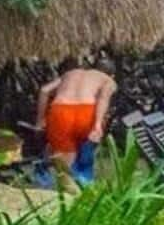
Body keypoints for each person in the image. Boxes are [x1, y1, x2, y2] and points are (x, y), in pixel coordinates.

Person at [34, 58, 116, 190]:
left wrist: (40, 120)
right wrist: (98, 124)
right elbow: (103, 99)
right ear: (112, 75)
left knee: (63, 160)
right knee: (85, 150)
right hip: (87, 111)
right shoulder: (108, 80)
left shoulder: (72, 73)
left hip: (60, 109)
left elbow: (44, 91)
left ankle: (59, 189)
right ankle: (81, 185)